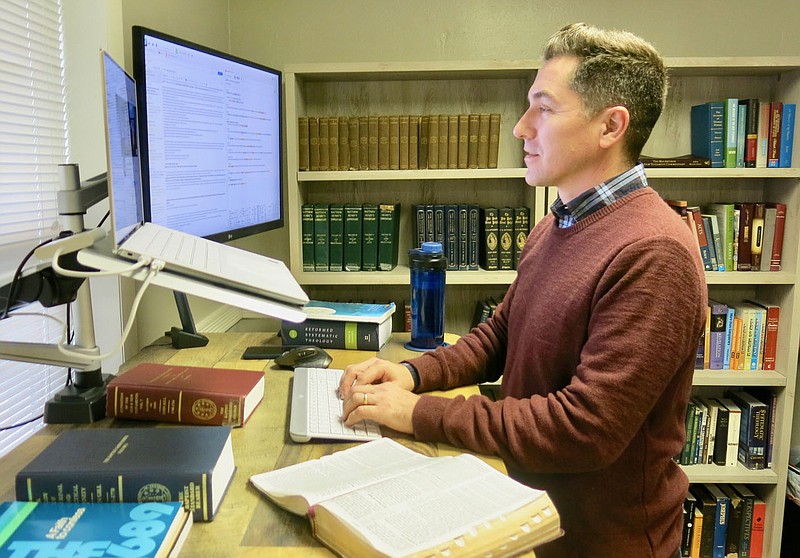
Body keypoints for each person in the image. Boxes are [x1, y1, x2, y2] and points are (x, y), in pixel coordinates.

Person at [339, 22, 707, 558]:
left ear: (611, 126)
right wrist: (415, 372)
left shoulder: (655, 253)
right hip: (528, 518)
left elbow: (584, 429)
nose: (520, 127)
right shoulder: (557, 222)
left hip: (596, 545)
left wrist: (416, 412)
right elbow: (501, 336)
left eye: (544, 108)